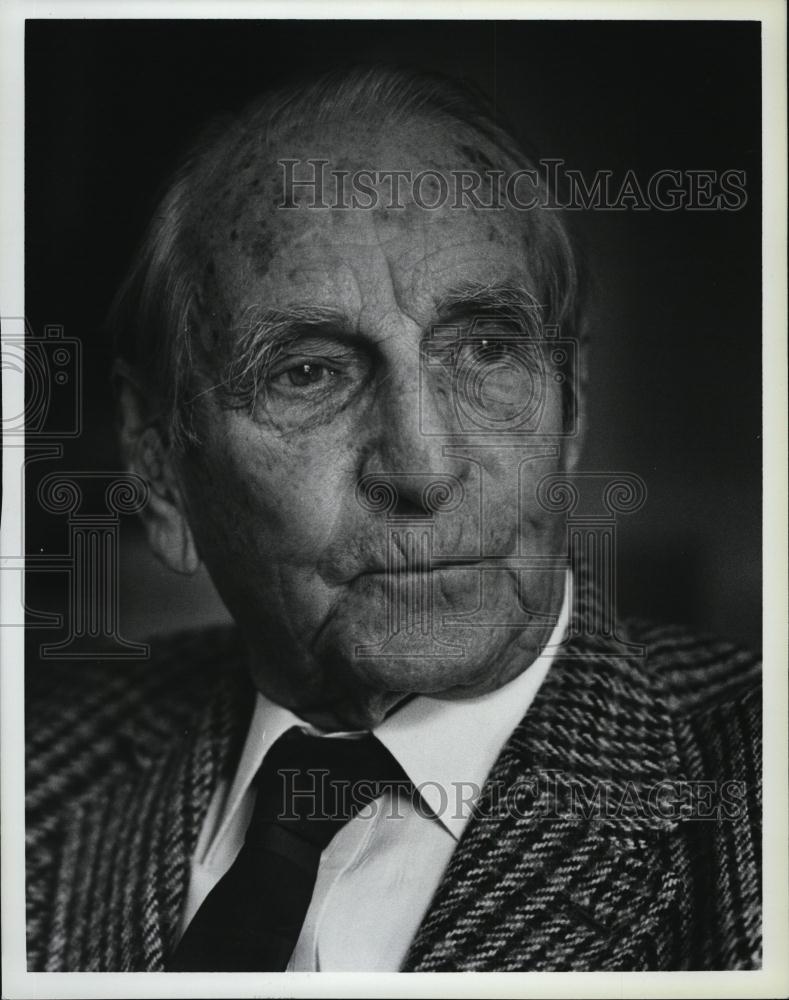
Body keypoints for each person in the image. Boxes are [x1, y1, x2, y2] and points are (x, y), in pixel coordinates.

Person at [25, 65, 761, 972]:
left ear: (569, 405)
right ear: (158, 466)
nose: (422, 467)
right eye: (309, 373)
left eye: (486, 350)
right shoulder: (36, 773)